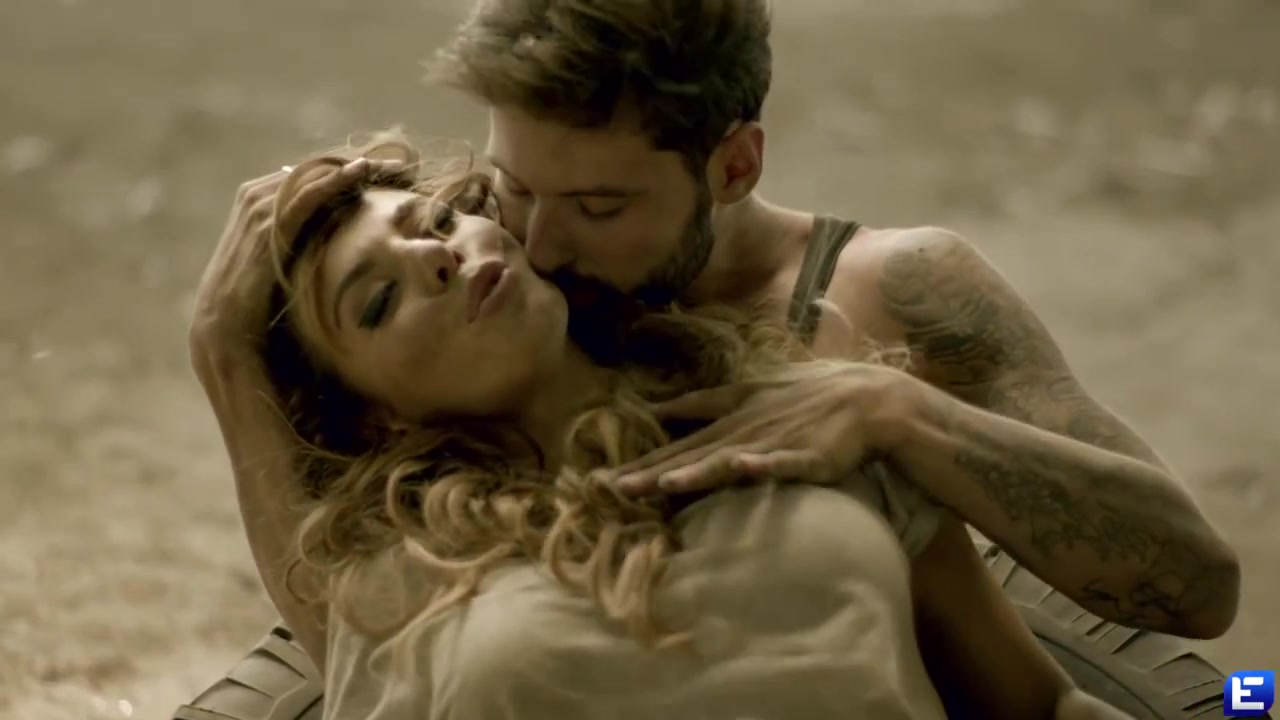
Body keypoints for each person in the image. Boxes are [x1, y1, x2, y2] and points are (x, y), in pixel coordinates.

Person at [185, 0, 1238, 716]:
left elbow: (1193, 588)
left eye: (599, 206)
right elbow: (357, 628)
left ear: (732, 166)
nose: (535, 243)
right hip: (500, 581)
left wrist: (892, 412)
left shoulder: (880, 292)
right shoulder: (486, 288)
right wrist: (229, 358)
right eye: (512, 190)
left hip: (936, 589)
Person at [249, 133, 1130, 719]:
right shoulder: (397, 582)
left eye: (439, 222)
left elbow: (1037, 706)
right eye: (378, 300)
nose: (436, 257)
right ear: (377, 413)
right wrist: (223, 355)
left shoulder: (802, 409)